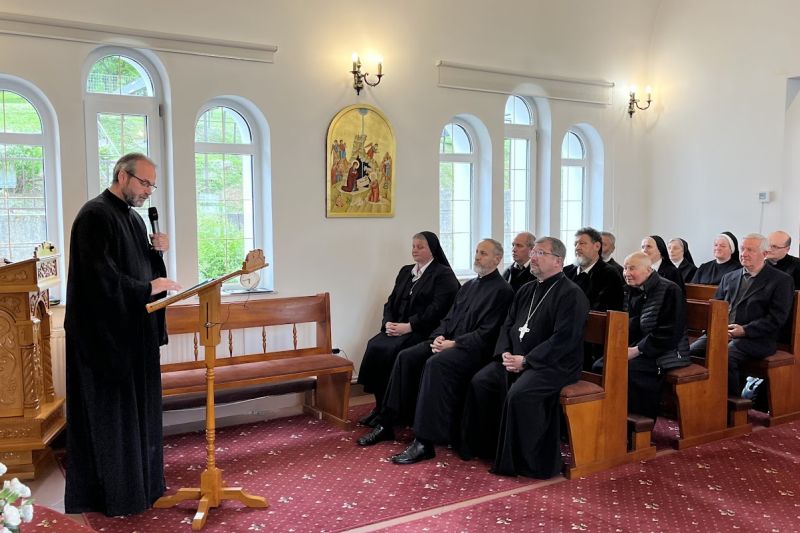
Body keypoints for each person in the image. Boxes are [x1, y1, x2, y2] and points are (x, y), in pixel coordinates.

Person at [64, 153, 181, 516]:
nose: (148, 191)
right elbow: (101, 278)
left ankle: (142, 487)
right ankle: (114, 495)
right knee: (114, 422)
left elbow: (142, 270)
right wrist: (148, 287)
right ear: (122, 175)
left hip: (133, 337)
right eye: (144, 183)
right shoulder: (94, 216)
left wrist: (157, 254)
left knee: (140, 418)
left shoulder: (132, 218)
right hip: (103, 343)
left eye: (152, 185)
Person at [357, 239, 514, 466]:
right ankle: (387, 422)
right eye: (477, 252)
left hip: (472, 350)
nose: (477, 257)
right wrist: (439, 336)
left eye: (484, 253)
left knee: (435, 364)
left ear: (497, 259)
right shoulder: (469, 285)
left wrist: (454, 343)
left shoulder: (503, 291)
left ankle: (424, 442)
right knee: (407, 357)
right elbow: (448, 318)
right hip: (447, 342)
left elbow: (488, 333)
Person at [459, 237, 589, 478]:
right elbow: (508, 324)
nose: (533, 257)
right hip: (517, 359)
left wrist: (527, 361)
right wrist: (505, 353)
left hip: (554, 365)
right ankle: (485, 448)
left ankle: (525, 462)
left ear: (558, 260)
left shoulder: (571, 294)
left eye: (540, 253)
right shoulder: (527, 289)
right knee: (482, 381)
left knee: (520, 393)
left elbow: (564, 339)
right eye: (534, 252)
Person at [356, 232, 460, 428]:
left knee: (393, 351)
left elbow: (438, 309)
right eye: (413, 246)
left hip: (422, 331)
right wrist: (388, 322)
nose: (415, 250)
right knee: (375, 345)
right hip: (398, 328)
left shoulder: (442, 274)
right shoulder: (406, 271)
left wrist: (410, 326)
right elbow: (390, 301)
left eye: (420, 247)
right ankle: (379, 406)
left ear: (432, 249)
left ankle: (392, 412)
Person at [689, 234, 794, 396]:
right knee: (689, 353)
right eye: (742, 249)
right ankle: (701, 399)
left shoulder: (781, 280)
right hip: (723, 332)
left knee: (725, 355)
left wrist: (744, 330)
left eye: (750, 250)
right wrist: (716, 328)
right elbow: (716, 307)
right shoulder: (729, 277)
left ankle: (732, 404)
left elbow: (777, 318)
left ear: (764, 254)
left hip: (757, 338)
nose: (744, 253)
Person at [594, 252, 690, 419]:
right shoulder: (629, 290)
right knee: (599, 365)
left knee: (627, 370)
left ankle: (638, 424)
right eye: (625, 268)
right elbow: (629, 324)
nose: (626, 273)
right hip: (637, 347)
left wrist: (637, 350)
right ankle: (609, 417)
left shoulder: (670, 290)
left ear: (648, 269)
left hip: (667, 351)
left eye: (632, 268)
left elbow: (670, 332)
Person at [563, 227, 624, 312]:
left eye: (582, 243)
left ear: (597, 246)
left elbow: (604, 310)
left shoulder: (609, 274)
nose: (577, 248)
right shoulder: (566, 271)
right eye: (575, 244)